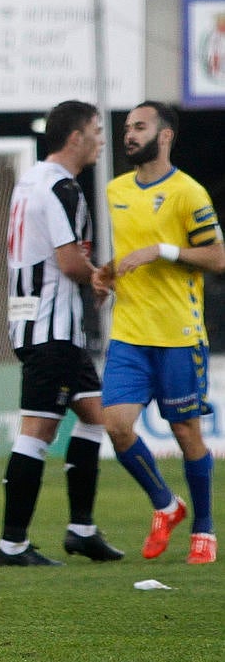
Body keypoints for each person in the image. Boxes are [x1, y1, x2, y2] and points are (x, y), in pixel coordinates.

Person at [93, 101, 224, 565]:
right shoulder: (115, 189)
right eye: (127, 127)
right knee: (116, 425)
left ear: (165, 135)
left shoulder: (189, 193)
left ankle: (204, 530)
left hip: (179, 335)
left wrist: (162, 250)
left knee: (186, 432)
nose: (129, 134)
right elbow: (130, 254)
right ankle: (167, 505)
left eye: (140, 127)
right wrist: (106, 273)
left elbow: (218, 257)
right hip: (130, 334)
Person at [0, 99, 124, 567]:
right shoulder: (60, 187)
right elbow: (70, 263)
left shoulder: (28, 181)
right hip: (53, 328)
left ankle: (82, 529)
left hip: (36, 324)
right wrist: (101, 277)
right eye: (96, 130)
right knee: (37, 432)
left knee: (97, 417)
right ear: (75, 136)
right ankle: (11, 545)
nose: (100, 139)